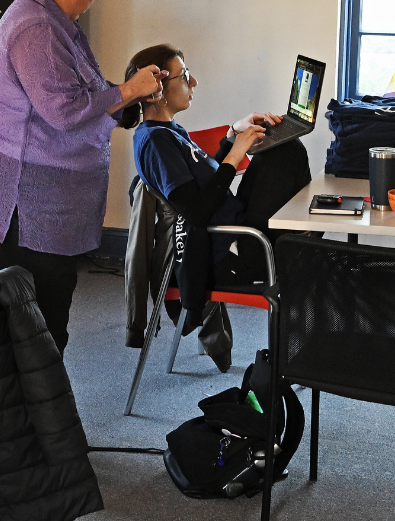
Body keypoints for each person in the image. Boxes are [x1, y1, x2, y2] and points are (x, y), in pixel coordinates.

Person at [0, 0, 166, 355]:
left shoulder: (54, 20)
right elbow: (65, 111)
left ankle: (37, 396)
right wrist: (128, 90)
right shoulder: (36, 29)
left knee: (42, 315)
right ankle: (38, 398)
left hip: (37, 193)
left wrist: (128, 100)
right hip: (20, 197)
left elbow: (83, 89)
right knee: (39, 321)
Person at [123, 44, 313, 365]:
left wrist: (233, 134)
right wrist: (236, 154)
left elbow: (202, 177)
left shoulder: (168, 131)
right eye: (184, 75)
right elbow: (195, 211)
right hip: (229, 250)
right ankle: (302, 251)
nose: (193, 81)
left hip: (233, 230)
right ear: (157, 92)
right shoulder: (155, 142)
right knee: (288, 151)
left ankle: (303, 246)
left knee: (282, 147)